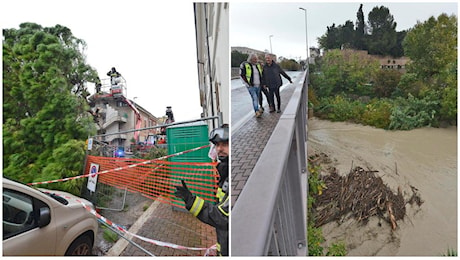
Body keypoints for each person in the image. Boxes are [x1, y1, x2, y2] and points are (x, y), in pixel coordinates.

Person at [174, 125, 229, 256]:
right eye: (217, 145)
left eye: (225, 144)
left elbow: (222, 217)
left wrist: (191, 201)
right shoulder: (224, 171)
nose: (219, 148)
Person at [240, 54, 263, 118]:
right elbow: (242, 75)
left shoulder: (257, 65)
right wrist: (247, 84)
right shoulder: (245, 65)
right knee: (254, 98)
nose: (256, 60)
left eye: (256, 59)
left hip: (258, 85)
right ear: (251, 59)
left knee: (257, 98)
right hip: (251, 86)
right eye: (254, 59)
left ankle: (258, 109)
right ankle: (256, 111)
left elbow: (260, 74)